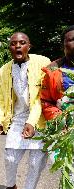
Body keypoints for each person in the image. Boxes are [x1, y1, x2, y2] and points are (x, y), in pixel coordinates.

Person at [0, 32, 50, 189]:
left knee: (35, 163)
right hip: (17, 118)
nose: (17, 46)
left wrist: (32, 122)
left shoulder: (43, 63)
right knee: (10, 158)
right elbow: (1, 100)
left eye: (22, 42)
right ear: (9, 48)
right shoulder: (4, 70)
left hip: (40, 118)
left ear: (29, 46)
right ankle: (11, 186)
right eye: (13, 43)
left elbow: (42, 98)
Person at [40, 25, 74, 184]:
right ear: (64, 45)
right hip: (66, 131)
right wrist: (60, 118)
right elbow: (46, 100)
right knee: (70, 174)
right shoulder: (52, 71)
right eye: (72, 40)